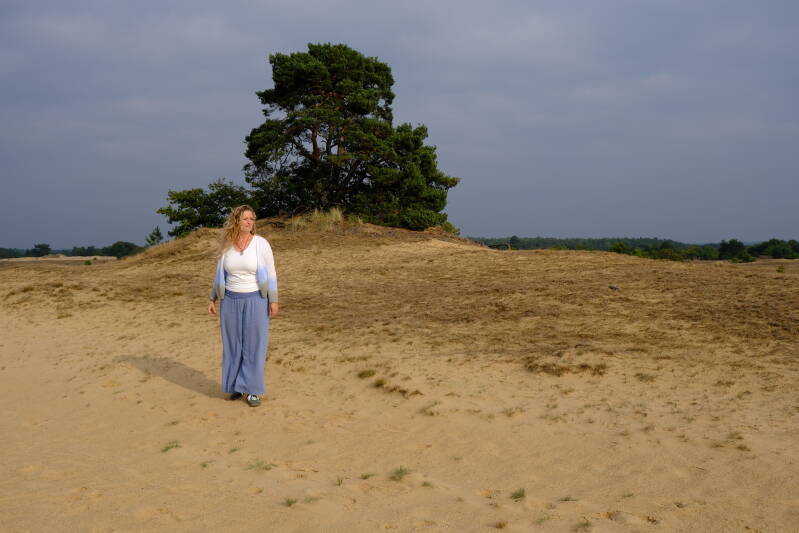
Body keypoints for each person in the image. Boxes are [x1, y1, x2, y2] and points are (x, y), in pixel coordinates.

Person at [207, 205, 278, 407]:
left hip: (256, 299)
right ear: (236, 221)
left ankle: (253, 390)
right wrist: (212, 298)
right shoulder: (226, 245)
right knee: (233, 345)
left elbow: (271, 274)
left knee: (255, 345)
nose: (249, 222)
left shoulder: (261, 244)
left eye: (252, 219)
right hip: (229, 300)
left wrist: (273, 300)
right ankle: (236, 387)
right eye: (245, 218)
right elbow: (219, 274)